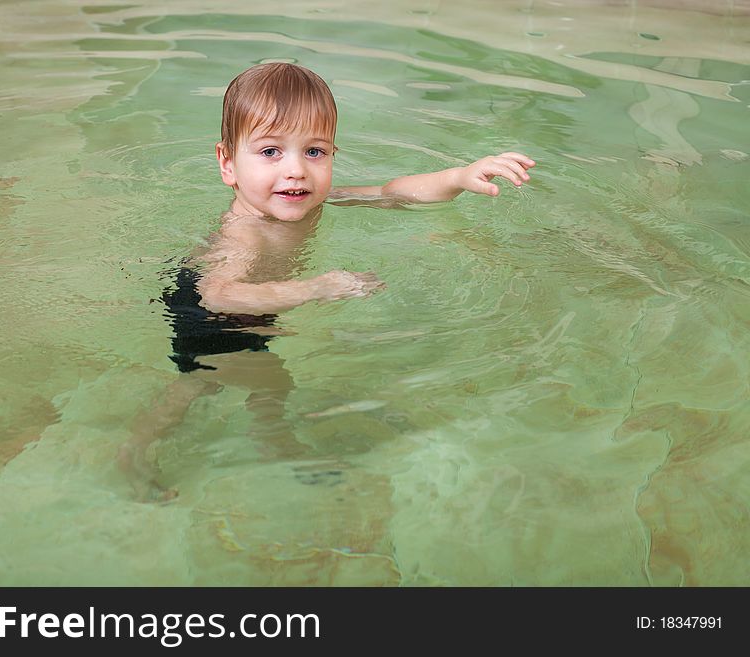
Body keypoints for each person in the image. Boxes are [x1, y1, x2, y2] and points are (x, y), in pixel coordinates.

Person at [119, 62, 534, 500]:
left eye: (314, 151)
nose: (296, 170)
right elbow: (218, 292)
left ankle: (270, 437)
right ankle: (134, 453)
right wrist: (318, 287)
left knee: (267, 377)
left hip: (258, 306)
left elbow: (392, 194)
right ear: (228, 164)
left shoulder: (316, 200)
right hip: (210, 312)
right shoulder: (245, 232)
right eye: (270, 152)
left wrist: (457, 177)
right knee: (198, 382)